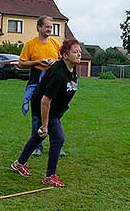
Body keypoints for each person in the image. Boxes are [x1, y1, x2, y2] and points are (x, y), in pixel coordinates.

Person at [11, 38, 82, 187]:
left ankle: (19, 163)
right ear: (65, 55)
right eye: (75, 52)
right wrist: (45, 124)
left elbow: (70, 88)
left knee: (39, 136)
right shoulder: (58, 73)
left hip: (55, 109)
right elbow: (45, 100)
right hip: (45, 108)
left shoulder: (71, 68)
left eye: (79, 51)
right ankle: (50, 176)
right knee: (58, 138)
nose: (79, 54)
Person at [19, 15, 66, 157]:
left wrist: (54, 63)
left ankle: (56, 144)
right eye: (47, 26)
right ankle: (36, 146)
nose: (49, 29)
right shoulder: (30, 44)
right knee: (36, 117)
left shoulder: (55, 44)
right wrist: (38, 62)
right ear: (39, 27)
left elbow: (62, 60)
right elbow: (21, 63)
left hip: (53, 82)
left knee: (55, 115)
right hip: (36, 81)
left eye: (51, 27)